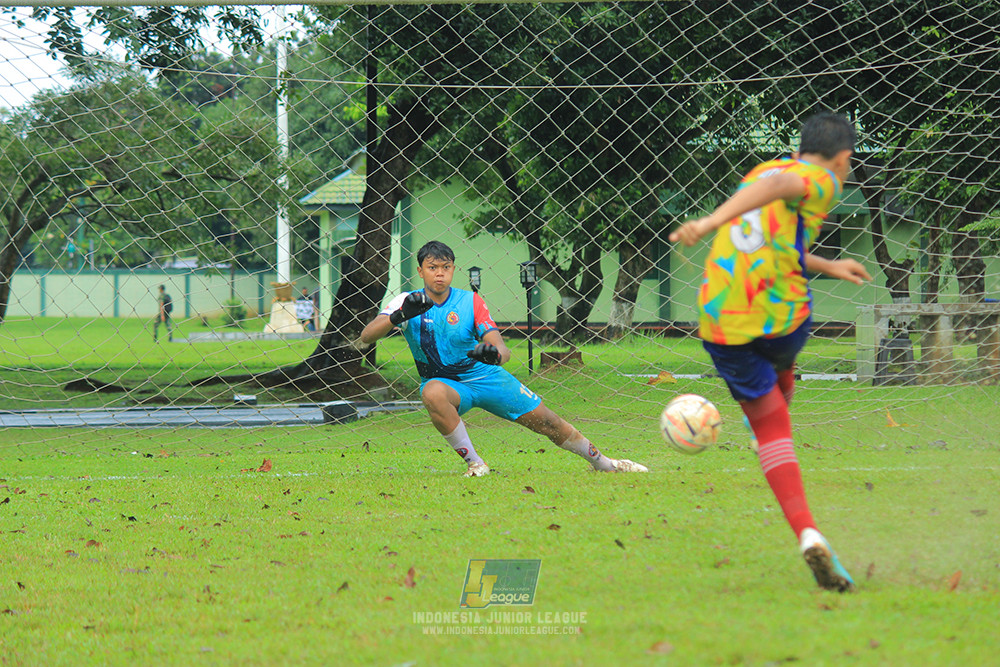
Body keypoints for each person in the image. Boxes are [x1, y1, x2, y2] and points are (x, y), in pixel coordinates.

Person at [669, 111, 872, 593]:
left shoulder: (759, 172)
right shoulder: (821, 179)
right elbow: (785, 185)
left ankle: (808, 534)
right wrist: (712, 219)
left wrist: (829, 263)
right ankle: (779, 387)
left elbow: (773, 238)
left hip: (719, 321)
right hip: (780, 318)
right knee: (787, 357)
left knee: (769, 426)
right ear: (843, 158)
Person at [360, 240, 648, 477]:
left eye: (445, 267)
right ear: (421, 271)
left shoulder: (469, 301)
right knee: (432, 392)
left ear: (453, 270)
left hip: (486, 377)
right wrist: (399, 317)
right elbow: (367, 336)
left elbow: (502, 347)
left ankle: (604, 463)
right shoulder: (406, 301)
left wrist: (494, 354)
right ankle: (476, 463)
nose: (439, 274)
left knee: (548, 422)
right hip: (447, 385)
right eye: (432, 267)